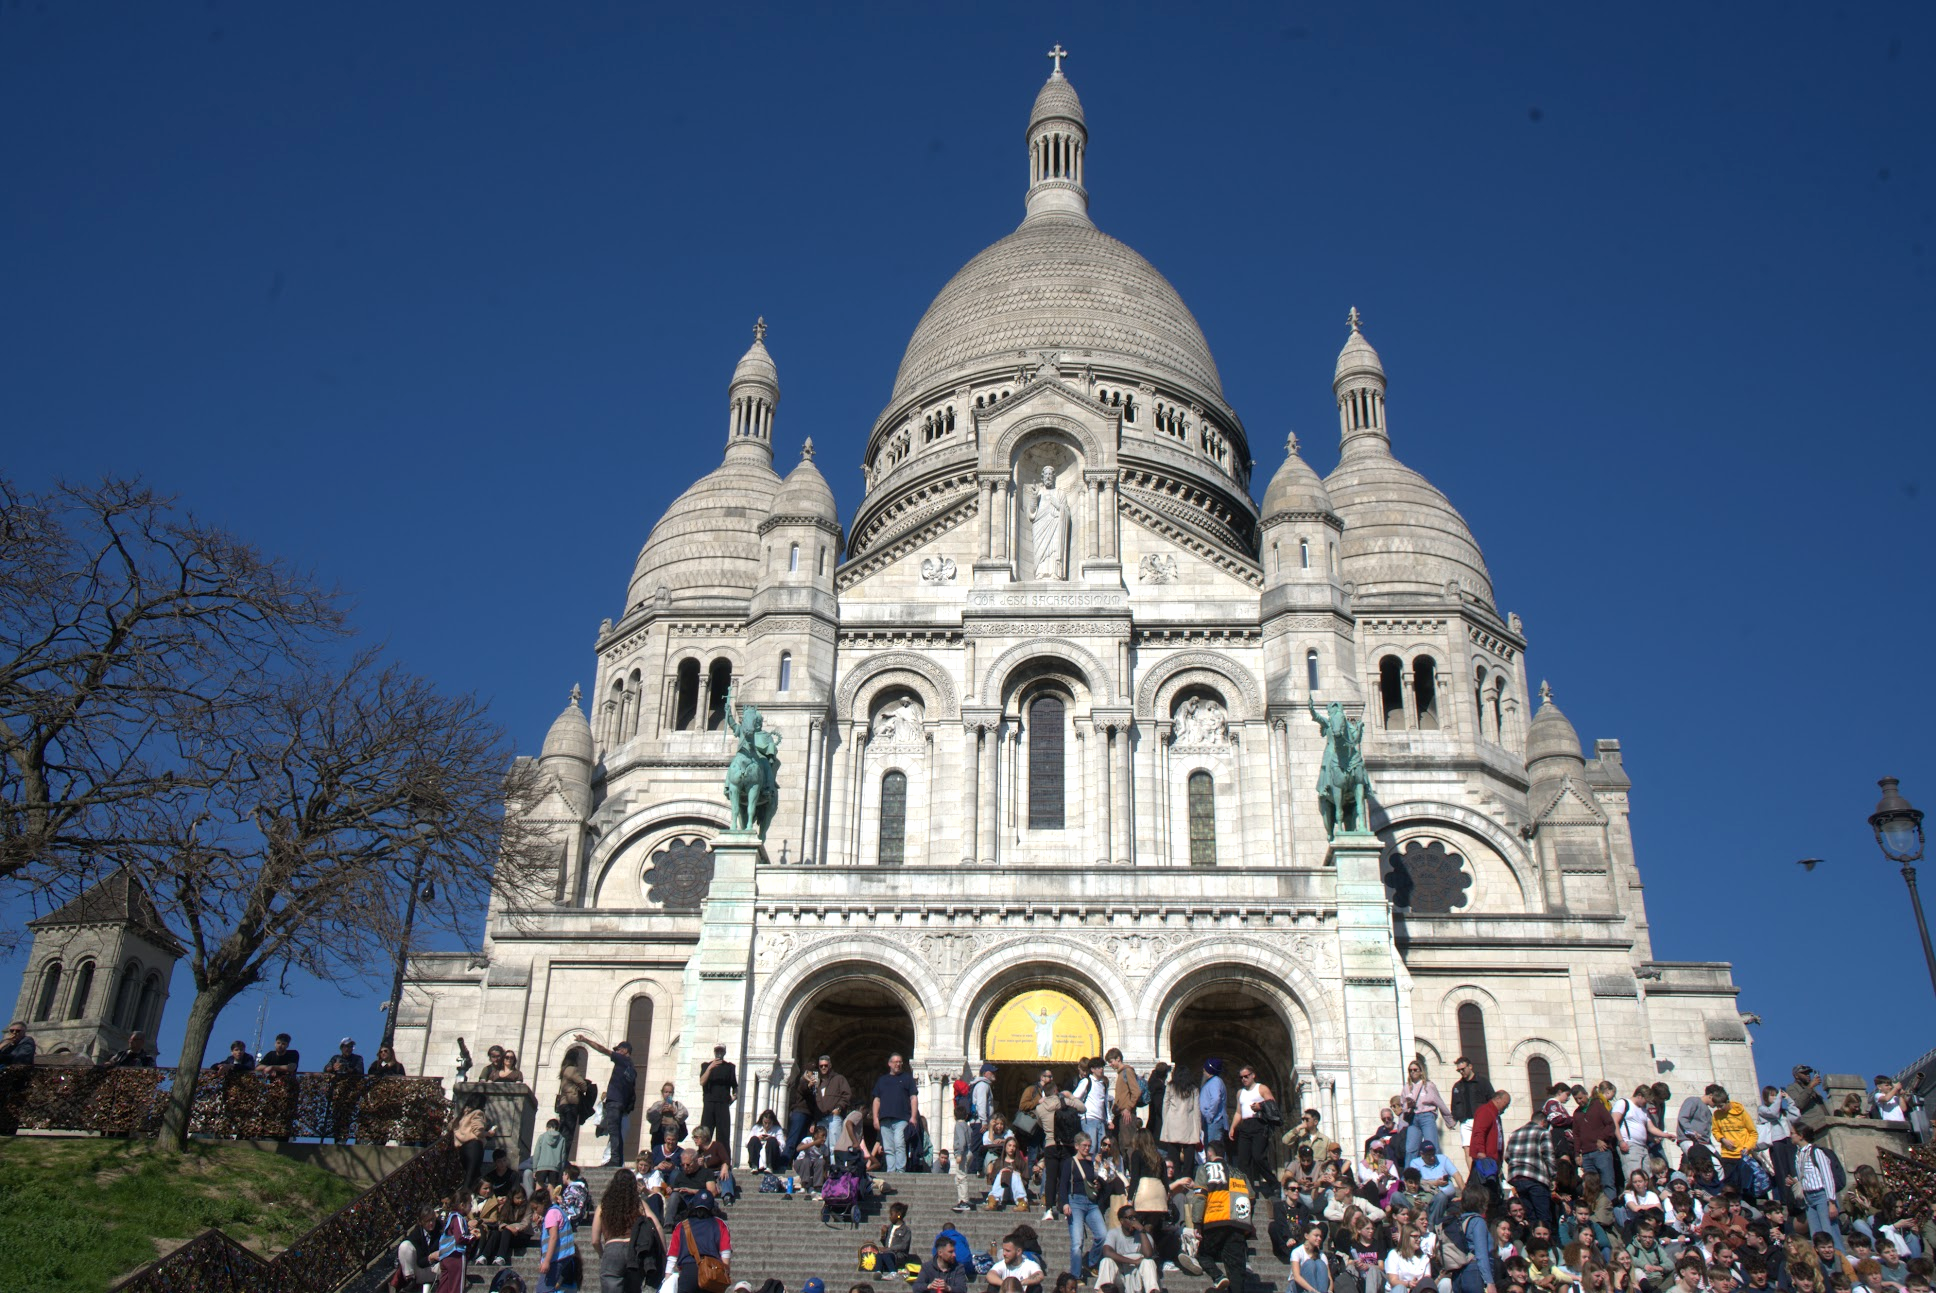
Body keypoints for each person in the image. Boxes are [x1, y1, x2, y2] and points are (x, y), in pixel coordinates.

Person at [1192, 1139, 1254, 1293]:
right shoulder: (1239, 1173)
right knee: (1236, 1270)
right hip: (1238, 1224)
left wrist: (1197, 1223)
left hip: (1215, 1220)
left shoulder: (1204, 1168)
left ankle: (1218, 1277)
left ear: (1210, 1153)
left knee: (1203, 1254)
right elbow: (1251, 1198)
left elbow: (1200, 1196)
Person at [575, 1034, 637, 1168]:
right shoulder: (632, 1069)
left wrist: (585, 1040)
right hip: (621, 1104)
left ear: (625, 1051)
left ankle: (614, 1159)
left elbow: (602, 1049)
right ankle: (618, 1159)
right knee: (617, 1132)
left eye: (619, 1049)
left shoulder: (621, 1060)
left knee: (614, 1131)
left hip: (614, 1102)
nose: (616, 1052)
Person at [665, 1193, 731, 1293]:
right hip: (712, 1272)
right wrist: (725, 1272)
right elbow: (725, 1252)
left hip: (688, 1271)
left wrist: (667, 1277)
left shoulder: (682, 1225)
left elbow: (672, 1256)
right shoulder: (720, 1224)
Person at [1064, 1133, 1108, 1281]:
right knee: (1077, 1242)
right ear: (1077, 1146)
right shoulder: (1070, 1162)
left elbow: (1096, 1181)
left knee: (1103, 1234)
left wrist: (1098, 1184)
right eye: (1084, 1146)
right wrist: (1064, 1203)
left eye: (1089, 1146)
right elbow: (1063, 1184)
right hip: (1075, 1201)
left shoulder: (1091, 1163)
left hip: (1091, 1202)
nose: (1087, 1148)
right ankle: (1076, 1276)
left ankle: (1089, 1262)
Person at [592, 1168, 641, 1293]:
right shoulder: (639, 1205)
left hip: (612, 1248)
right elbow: (656, 1226)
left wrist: (602, 1254)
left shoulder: (603, 1206)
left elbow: (595, 1240)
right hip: (633, 1250)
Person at [1506, 1110, 1558, 1229]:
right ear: (1543, 1122)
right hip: (1536, 1178)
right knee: (1544, 1216)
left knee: (1530, 1216)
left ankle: (1534, 1241)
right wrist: (1553, 1177)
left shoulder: (1514, 1134)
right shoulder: (1543, 1132)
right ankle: (1545, 1243)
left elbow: (1507, 1156)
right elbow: (1549, 1156)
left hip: (1517, 1178)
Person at [873, 1052, 922, 1173]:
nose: (898, 1064)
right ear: (889, 1064)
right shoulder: (882, 1080)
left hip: (902, 1118)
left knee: (899, 1143)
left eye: (900, 1062)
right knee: (888, 1147)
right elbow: (876, 1100)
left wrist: (914, 1117)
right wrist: (875, 1118)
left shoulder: (907, 1078)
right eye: (895, 1062)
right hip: (885, 1119)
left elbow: (913, 1098)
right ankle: (891, 1170)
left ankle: (900, 1170)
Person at [1706, 1087, 1758, 1197]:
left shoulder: (1741, 1113)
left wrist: (1747, 1147)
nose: (1719, 1109)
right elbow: (1715, 1131)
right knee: (1730, 1188)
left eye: (1721, 1106)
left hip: (1742, 1155)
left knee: (1746, 1187)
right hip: (1727, 1155)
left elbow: (1753, 1133)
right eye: (1717, 1106)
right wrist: (1723, 1139)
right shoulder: (1717, 1115)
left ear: (1727, 1102)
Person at [1231, 1063, 1275, 1192]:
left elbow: (1272, 1104)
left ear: (1253, 1075)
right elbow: (1239, 1112)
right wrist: (1233, 1127)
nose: (1244, 1079)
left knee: (1258, 1156)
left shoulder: (1261, 1089)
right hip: (1245, 1125)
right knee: (1243, 1159)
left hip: (1259, 1123)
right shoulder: (1240, 1093)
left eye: (1246, 1076)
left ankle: (1272, 1181)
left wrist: (1260, 1106)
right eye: (1241, 1077)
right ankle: (1247, 1187)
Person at [1402, 1058, 1453, 1165]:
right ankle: (1408, 1176)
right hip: (1413, 1119)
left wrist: (1449, 1120)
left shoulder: (1428, 1085)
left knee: (1432, 1146)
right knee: (1411, 1149)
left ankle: (1439, 1171)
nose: (1413, 1072)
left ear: (1421, 1071)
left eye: (1415, 1070)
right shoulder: (1407, 1087)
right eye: (1410, 1070)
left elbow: (1439, 1102)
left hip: (1427, 1117)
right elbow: (1403, 1106)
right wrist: (1408, 1105)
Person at [1450, 1057, 1497, 1169]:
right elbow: (1454, 1104)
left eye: (1463, 1069)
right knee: (1468, 1149)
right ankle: (1473, 1177)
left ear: (1470, 1067)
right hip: (1465, 1121)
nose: (1461, 1072)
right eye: (1459, 1070)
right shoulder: (1458, 1086)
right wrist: (1456, 1116)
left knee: (1484, 1148)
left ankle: (1491, 1173)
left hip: (1481, 1121)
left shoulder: (1482, 1082)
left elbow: (1492, 1100)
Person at [538, 1177, 582, 1293]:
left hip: (556, 1258)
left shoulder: (551, 1213)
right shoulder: (556, 1211)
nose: (535, 1212)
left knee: (543, 1290)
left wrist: (546, 1261)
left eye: (535, 1208)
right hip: (559, 1259)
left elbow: (553, 1237)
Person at [803, 1054, 855, 1148]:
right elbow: (812, 1100)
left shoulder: (839, 1079)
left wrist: (839, 1108)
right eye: (821, 1066)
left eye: (825, 1065)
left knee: (834, 1145)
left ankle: (834, 1163)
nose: (823, 1067)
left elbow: (847, 1095)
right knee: (821, 1145)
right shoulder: (817, 1081)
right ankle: (823, 1163)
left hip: (833, 1117)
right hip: (820, 1118)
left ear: (830, 1065)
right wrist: (814, 1121)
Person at [1160, 1061, 1203, 1173]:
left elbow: (1165, 1105)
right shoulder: (1194, 1089)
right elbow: (1197, 1110)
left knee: (1173, 1153)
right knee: (1189, 1153)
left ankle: (1175, 1176)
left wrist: (1166, 1122)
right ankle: (1188, 1176)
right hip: (1188, 1123)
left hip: (1173, 1123)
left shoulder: (1170, 1087)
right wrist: (1198, 1129)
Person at [323, 1037, 366, 1143]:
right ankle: (337, 1138)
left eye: (351, 1046)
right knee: (336, 1115)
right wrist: (333, 1067)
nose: (349, 1049)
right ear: (342, 1047)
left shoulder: (357, 1058)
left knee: (348, 1115)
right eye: (347, 1046)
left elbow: (360, 1072)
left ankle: (344, 1138)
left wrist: (347, 1068)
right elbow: (325, 1069)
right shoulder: (335, 1058)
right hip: (337, 1091)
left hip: (350, 1091)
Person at [433, 1191, 472, 1293]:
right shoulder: (458, 1218)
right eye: (470, 1204)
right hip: (456, 1255)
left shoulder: (450, 1216)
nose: (471, 1206)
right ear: (462, 1205)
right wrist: (473, 1237)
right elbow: (460, 1237)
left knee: (444, 1287)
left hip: (445, 1256)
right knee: (456, 1286)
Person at [395, 1204, 439, 1293]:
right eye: (427, 1221)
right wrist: (430, 1257)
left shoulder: (439, 1229)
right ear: (421, 1222)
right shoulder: (416, 1235)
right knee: (405, 1246)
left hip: (437, 1268)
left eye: (433, 1220)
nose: (431, 1223)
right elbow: (420, 1261)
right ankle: (410, 1281)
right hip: (420, 1268)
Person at [1106, 1049, 1144, 1144]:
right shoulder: (1121, 1073)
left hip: (1127, 1115)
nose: (1110, 1065)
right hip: (1120, 1114)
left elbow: (1136, 1091)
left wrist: (1128, 1108)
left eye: (1111, 1062)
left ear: (1118, 1059)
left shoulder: (1127, 1071)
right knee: (1120, 1144)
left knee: (1128, 1144)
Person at [701, 1044, 739, 1140]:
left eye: (721, 1051)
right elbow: (702, 1082)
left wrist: (733, 1098)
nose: (719, 1053)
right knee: (705, 1133)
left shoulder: (730, 1067)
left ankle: (722, 1154)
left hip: (723, 1104)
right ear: (714, 1052)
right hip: (709, 1102)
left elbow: (735, 1086)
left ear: (724, 1052)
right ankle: (703, 1154)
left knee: (723, 1135)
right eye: (717, 1051)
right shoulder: (706, 1066)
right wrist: (710, 1067)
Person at [1199, 1058, 1230, 1159]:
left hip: (1214, 1121)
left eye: (1205, 1069)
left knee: (1215, 1149)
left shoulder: (1215, 1081)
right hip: (1211, 1121)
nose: (1203, 1071)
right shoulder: (1211, 1082)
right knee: (1211, 1148)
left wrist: (1209, 1115)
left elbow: (1216, 1098)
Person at [647, 1082, 691, 1151]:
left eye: (670, 1092)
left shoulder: (677, 1105)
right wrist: (660, 1111)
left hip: (672, 1131)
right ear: (662, 1093)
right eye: (666, 1092)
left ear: (673, 1093)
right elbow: (649, 1116)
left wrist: (674, 1110)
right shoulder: (657, 1105)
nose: (668, 1094)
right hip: (659, 1132)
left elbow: (684, 1115)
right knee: (657, 1151)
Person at [1289, 1220, 1328, 1293]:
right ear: (1306, 1236)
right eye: (1316, 1235)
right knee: (1310, 1264)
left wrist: (1329, 1290)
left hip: (1317, 1289)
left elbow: (1329, 1279)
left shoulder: (1322, 1255)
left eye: (1320, 1236)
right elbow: (1296, 1277)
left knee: (1320, 1263)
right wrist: (1313, 1291)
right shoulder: (1297, 1252)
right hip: (1298, 1288)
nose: (1319, 1239)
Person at [534, 1116, 569, 1188]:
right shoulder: (562, 1139)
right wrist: (561, 1170)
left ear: (547, 1127)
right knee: (552, 1188)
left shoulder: (542, 1137)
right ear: (558, 1128)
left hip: (541, 1166)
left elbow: (537, 1154)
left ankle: (536, 1199)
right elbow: (563, 1157)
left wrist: (534, 1169)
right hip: (555, 1167)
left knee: (539, 1186)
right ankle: (551, 1199)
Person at [747, 1108, 786, 1173]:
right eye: (765, 1123)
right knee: (754, 1139)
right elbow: (747, 1143)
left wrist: (773, 1139)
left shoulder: (777, 1129)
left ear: (772, 1122)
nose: (767, 1125)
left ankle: (769, 1166)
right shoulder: (756, 1128)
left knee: (772, 1140)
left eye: (769, 1123)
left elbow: (783, 1144)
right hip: (758, 1155)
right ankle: (754, 1165)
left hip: (772, 1158)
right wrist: (758, 1138)